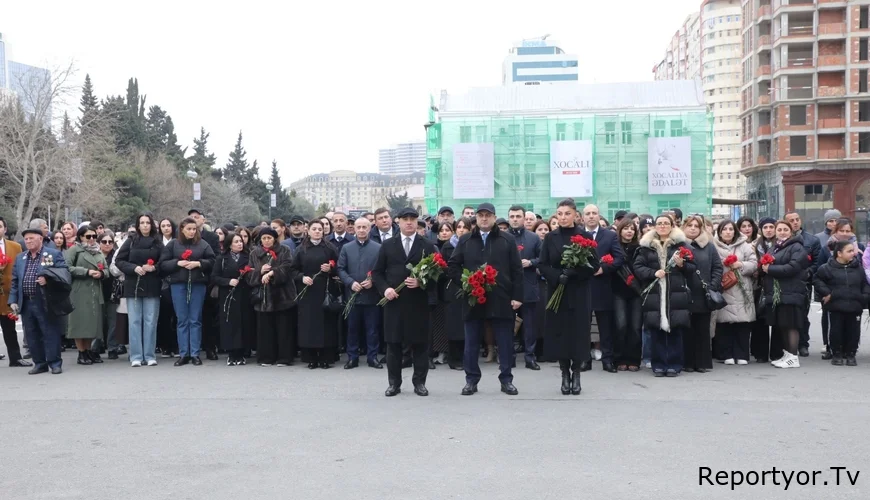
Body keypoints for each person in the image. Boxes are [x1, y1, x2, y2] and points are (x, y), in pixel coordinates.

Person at [448, 202, 524, 396]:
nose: (484, 218)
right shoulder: (465, 240)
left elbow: (517, 270)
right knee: (472, 341)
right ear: (476, 218)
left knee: (505, 341)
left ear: (494, 217)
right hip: (474, 298)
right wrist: (466, 283)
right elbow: (453, 267)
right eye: (480, 215)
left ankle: (506, 379)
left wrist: (516, 296)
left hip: (501, 298)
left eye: (487, 215)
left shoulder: (506, 240)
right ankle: (471, 380)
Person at [372, 207, 438, 397]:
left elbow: (437, 275)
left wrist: (421, 282)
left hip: (419, 303)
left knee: (420, 345)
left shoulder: (427, 245)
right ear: (398, 222)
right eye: (405, 219)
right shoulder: (387, 245)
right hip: (395, 303)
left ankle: (420, 383)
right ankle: (394, 384)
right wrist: (386, 289)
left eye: (412, 219)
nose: (409, 222)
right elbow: (377, 273)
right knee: (393, 346)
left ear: (417, 222)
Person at [538, 199, 599, 394]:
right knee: (560, 333)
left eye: (567, 213)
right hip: (558, 292)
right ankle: (565, 373)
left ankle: (577, 372)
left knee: (578, 333)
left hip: (579, 292)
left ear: (575, 215)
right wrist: (558, 276)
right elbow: (543, 264)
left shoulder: (585, 236)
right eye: (560, 214)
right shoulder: (550, 237)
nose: (563, 217)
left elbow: (594, 266)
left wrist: (574, 273)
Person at [633, 214, 696, 377]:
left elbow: (692, 267)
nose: (662, 226)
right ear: (655, 226)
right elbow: (638, 268)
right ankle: (658, 364)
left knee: (675, 330)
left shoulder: (681, 245)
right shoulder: (646, 247)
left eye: (666, 223)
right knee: (656, 331)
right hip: (655, 294)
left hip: (675, 293)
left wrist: (682, 264)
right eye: (659, 223)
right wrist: (653, 273)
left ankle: (674, 364)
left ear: (672, 225)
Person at [9, 228, 68, 374]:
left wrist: (48, 278)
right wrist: (13, 300)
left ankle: (55, 363)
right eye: (26, 239)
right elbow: (15, 281)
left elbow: (64, 272)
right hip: (27, 302)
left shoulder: (53, 254)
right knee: (31, 334)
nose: (28, 241)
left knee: (50, 332)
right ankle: (40, 363)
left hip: (45, 300)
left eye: (31, 238)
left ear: (40, 239)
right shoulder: (21, 258)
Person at [160, 217, 216, 366]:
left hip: (197, 284)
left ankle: (195, 353)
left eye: (194, 229)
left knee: (195, 319)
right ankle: (184, 353)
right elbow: (163, 264)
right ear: (182, 230)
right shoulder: (173, 245)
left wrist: (199, 263)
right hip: (178, 284)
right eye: (189, 229)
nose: (192, 232)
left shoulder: (203, 244)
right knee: (182, 319)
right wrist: (177, 263)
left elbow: (212, 261)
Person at [115, 213, 163, 367]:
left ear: (152, 224)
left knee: (150, 321)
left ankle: (149, 355)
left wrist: (154, 267)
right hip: (133, 285)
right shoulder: (130, 241)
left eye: (147, 222)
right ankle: (135, 355)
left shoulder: (157, 242)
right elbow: (119, 261)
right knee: (134, 321)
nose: (145, 226)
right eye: (142, 223)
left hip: (152, 285)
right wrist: (134, 268)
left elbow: (165, 262)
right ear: (137, 225)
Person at [581, 204, 624, 372]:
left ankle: (607, 359)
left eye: (594, 213)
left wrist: (604, 268)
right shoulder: (578, 234)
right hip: (583, 286)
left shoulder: (609, 236)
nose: (591, 216)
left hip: (603, 286)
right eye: (588, 214)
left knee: (605, 326)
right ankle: (585, 359)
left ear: (599, 216)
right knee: (583, 326)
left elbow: (619, 257)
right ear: (582, 217)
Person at [291, 220, 340, 369]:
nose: (318, 231)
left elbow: (339, 268)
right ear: (308, 230)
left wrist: (330, 269)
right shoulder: (301, 249)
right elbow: (293, 270)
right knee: (309, 325)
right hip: (307, 292)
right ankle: (311, 357)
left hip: (325, 290)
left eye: (320, 229)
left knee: (326, 325)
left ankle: (326, 358)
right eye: (314, 229)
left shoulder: (330, 248)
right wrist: (302, 277)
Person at [761, 221, 809, 369]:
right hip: (779, 292)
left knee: (791, 325)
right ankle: (787, 355)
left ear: (791, 231)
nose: (782, 232)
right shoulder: (775, 247)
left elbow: (793, 267)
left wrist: (770, 269)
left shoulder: (797, 247)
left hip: (791, 292)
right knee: (783, 325)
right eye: (779, 229)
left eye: (785, 229)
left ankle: (793, 356)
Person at [814, 239, 869, 366]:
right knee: (835, 330)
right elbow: (817, 280)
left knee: (853, 331)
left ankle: (851, 354)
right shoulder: (827, 268)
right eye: (849, 251)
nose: (853, 254)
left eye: (853, 251)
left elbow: (864, 284)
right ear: (839, 253)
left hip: (854, 306)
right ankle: (836, 353)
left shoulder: (858, 268)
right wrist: (828, 293)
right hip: (835, 306)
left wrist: (864, 296)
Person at [338, 217, 382, 369]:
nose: (362, 230)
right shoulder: (347, 248)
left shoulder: (378, 248)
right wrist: (350, 282)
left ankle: (372, 357)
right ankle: (352, 357)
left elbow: (382, 269)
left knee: (372, 329)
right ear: (354, 229)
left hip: (372, 296)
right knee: (352, 329)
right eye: (359, 227)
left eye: (365, 227)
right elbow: (340, 269)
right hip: (352, 295)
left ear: (370, 229)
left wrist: (373, 281)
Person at [248, 228, 297, 366]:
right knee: (265, 329)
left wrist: (272, 273)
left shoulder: (284, 250)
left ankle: (284, 357)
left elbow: (288, 267)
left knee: (284, 328)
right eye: (264, 238)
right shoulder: (255, 253)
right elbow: (248, 273)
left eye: (269, 238)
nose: (266, 241)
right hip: (263, 296)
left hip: (283, 294)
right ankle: (266, 357)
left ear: (274, 238)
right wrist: (259, 272)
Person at [713, 219, 758, 366]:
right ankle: (727, 354)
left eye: (731, 229)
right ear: (719, 232)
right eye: (724, 229)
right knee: (724, 324)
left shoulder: (744, 246)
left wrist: (741, 264)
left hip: (742, 288)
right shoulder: (713, 246)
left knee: (742, 324)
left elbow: (754, 263)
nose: (728, 232)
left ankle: (742, 354)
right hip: (723, 287)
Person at [682, 215, 722, 373]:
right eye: (689, 225)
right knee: (686, 329)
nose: (692, 228)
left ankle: (702, 363)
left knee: (702, 329)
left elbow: (717, 268)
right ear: (684, 227)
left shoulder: (709, 246)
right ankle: (687, 362)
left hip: (703, 294)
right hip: (684, 293)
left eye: (696, 226)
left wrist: (712, 285)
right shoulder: (678, 245)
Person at [65, 225, 110, 366]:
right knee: (79, 322)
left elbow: (107, 269)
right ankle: (81, 352)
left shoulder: (98, 251)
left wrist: (102, 273)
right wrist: (86, 272)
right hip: (79, 290)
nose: (91, 239)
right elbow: (67, 267)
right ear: (81, 237)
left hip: (95, 290)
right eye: (88, 236)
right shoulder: (74, 250)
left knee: (92, 323)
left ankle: (89, 350)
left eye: (94, 236)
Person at [506, 205, 543, 370]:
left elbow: (543, 259)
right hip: (508, 288)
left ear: (524, 218)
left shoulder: (534, 238)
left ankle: (530, 357)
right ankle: (509, 357)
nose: (515, 219)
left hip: (529, 285)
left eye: (518, 216)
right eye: (512, 216)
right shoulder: (502, 237)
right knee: (508, 325)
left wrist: (531, 262)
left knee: (529, 326)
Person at [784, 211, 820, 358]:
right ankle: (787, 346)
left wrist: (808, 273)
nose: (795, 222)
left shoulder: (812, 240)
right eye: (791, 220)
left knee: (802, 314)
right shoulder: (782, 239)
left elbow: (817, 262)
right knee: (787, 316)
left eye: (797, 219)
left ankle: (803, 344)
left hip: (804, 282)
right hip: (785, 282)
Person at [0, 217, 31, 367]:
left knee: (9, 329)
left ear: (5, 229)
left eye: (0, 226)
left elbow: (21, 269)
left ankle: (15, 358)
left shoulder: (16, 246)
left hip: (8, 295)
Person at [612, 218, 642, 371]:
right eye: (626, 228)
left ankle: (634, 359)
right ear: (620, 230)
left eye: (632, 229)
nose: (629, 231)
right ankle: (619, 358)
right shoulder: (615, 247)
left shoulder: (640, 248)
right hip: (619, 292)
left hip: (636, 292)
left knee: (636, 327)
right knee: (621, 325)